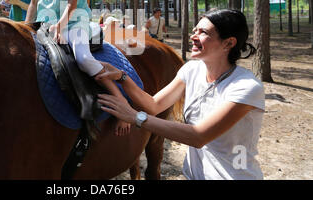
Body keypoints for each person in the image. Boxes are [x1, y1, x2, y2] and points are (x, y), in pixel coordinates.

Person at [97, 9, 265, 180]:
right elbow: (153, 105)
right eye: (195, 31)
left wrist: (134, 116)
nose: (193, 36)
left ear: (228, 43)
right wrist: (122, 77)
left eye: (203, 32)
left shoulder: (246, 88)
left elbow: (198, 136)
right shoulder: (191, 70)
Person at [25, 0, 130, 136]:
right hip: (46, 23)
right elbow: (34, 3)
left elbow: (72, 1)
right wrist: (25, 27)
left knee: (82, 59)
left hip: (74, 21)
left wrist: (61, 25)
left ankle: (122, 103)